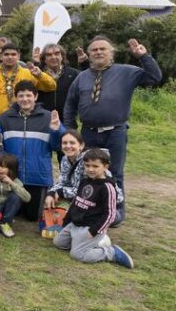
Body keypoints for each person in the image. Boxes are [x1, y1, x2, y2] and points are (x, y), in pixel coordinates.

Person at [63, 36, 161, 224]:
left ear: (111, 53)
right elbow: (70, 105)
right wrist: (71, 131)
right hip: (89, 133)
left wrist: (144, 56)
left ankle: (115, 211)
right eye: (94, 50)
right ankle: (89, 207)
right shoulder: (82, 77)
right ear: (89, 55)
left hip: (115, 132)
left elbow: (154, 77)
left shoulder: (127, 72)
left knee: (114, 172)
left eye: (103, 49)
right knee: (88, 171)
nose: (99, 52)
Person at [0, 80, 64, 221]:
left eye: (28, 95)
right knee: (12, 212)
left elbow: (58, 145)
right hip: (12, 177)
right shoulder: (5, 118)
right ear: (16, 98)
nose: (25, 99)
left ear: (35, 97)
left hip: (38, 177)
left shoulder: (48, 117)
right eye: (21, 96)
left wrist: (56, 131)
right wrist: (4, 163)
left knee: (32, 217)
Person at [53, 149, 134, 269]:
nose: (90, 169)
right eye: (87, 165)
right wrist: (67, 221)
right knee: (58, 243)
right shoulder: (85, 181)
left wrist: (95, 230)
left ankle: (111, 252)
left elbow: (110, 214)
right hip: (76, 224)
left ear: (105, 166)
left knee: (77, 255)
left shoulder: (107, 187)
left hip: (90, 227)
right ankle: (93, 243)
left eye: (95, 166)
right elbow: (76, 203)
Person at [44, 130, 124, 236]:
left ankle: (97, 234)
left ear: (81, 145)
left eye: (72, 143)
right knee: (51, 203)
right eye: (65, 143)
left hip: (104, 206)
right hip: (84, 201)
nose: (68, 146)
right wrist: (52, 193)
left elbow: (82, 191)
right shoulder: (65, 159)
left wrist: (60, 192)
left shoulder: (88, 162)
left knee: (69, 211)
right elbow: (63, 181)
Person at [0, 43, 56, 132]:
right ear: (1, 57)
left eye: (13, 54)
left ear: (18, 56)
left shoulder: (28, 73)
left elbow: (51, 87)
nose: (10, 57)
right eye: (6, 54)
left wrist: (40, 75)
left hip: (23, 121)